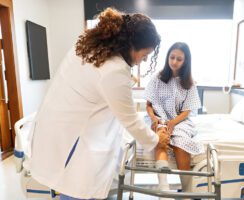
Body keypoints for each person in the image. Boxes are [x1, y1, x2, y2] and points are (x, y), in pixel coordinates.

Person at [27, 7, 169, 200]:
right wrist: (155, 139)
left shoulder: (89, 49)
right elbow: (131, 121)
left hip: (57, 127)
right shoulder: (115, 70)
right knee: (76, 186)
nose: (142, 61)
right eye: (143, 55)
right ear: (131, 45)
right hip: (73, 141)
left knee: (72, 187)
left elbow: (96, 86)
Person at [145, 42, 203, 198]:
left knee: (181, 143)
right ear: (167, 57)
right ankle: (164, 189)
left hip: (180, 120)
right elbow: (149, 105)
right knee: (160, 139)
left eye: (179, 59)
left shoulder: (189, 83)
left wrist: (173, 123)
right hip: (159, 118)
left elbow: (187, 111)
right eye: (172, 57)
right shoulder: (157, 78)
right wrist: (155, 118)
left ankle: (186, 192)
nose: (174, 61)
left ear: (185, 61)